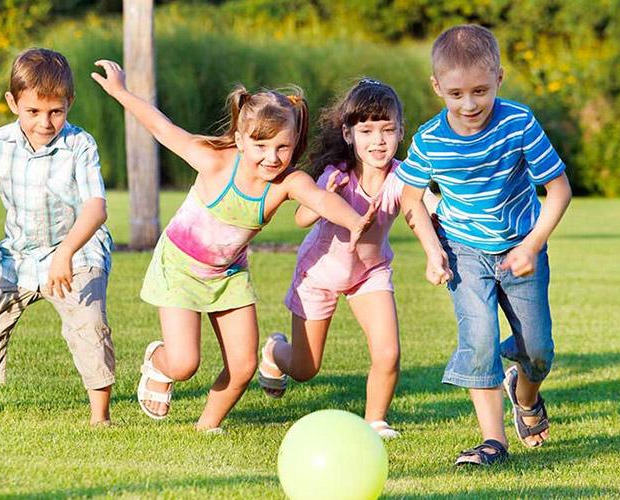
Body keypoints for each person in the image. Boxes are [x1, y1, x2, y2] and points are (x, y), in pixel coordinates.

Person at [91, 60, 379, 432]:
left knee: (243, 366)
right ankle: (159, 364)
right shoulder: (214, 161)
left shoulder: (286, 183)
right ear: (241, 140)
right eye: (261, 145)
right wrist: (120, 92)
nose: (272, 157)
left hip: (228, 275)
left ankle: (206, 426)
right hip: (179, 268)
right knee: (184, 363)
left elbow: (320, 199)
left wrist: (355, 221)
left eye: (283, 147)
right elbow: (162, 128)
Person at [397, 25, 572, 465]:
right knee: (478, 339)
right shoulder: (430, 139)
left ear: (499, 78)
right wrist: (432, 250)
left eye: (480, 90)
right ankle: (494, 441)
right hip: (464, 252)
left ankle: (525, 394)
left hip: (520, 249)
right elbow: (410, 197)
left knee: (538, 350)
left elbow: (559, 189)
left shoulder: (518, 123)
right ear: (437, 87)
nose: (469, 104)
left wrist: (532, 246)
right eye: (456, 94)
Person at [0, 48, 116, 426]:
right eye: (33, 111)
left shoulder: (80, 146)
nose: (45, 122)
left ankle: (100, 418)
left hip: (77, 253)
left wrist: (67, 252)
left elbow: (96, 209)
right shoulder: (0, 144)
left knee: (88, 324)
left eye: (56, 111)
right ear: (13, 102)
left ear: (69, 103)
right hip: (18, 257)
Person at [257, 78, 438, 439]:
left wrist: (439, 241)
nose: (378, 140)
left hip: (369, 274)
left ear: (401, 131)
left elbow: (424, 208)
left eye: (387, 130)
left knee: (388, 352)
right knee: (306, 368)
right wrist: (322, 195)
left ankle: (375, 421)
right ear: (347, 133)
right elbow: (301, 218)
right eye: (367, 130)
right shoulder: (335, 175)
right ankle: (275, 351)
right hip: (319, 274)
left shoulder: (402, 177)